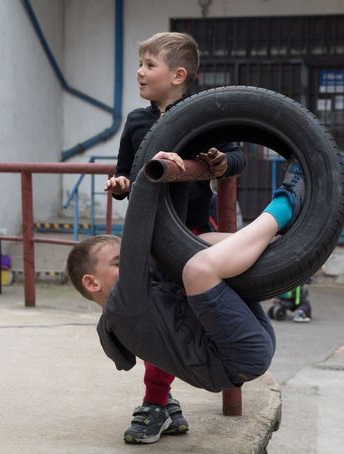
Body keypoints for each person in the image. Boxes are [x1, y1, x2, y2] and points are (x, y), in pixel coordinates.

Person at [67, 152, 305, 444]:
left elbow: (169, 239)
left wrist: (174, 175)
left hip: (234, 344)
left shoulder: (131, 306)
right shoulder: (122, 308)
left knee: (196, 245)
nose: (128, 266)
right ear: (92, 283)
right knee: (197, 270)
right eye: (118, 263)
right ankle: (284, 206)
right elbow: (138, 233)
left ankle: (280, 242)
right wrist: (148, 176)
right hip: (237, 355)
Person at [104, 32, 247, 442]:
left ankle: (154, 402)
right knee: (150, 312)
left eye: (150, 65)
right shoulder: (136, 121)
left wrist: (219, 163)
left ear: (178, 75)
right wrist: (119, 184)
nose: (140, 72)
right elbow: (126, 173)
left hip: (190, 233)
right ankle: (164, 402)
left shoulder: (203, 115)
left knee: (171, 316)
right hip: (146, 233)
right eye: (140, 64)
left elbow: (236, 157)